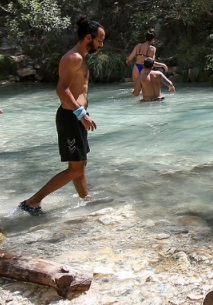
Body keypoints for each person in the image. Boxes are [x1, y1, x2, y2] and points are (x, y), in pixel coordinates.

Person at [19, 15, 106, 215]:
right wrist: (81, 114)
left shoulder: (80, 58)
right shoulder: (73, 57)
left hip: (77, 116)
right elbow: (61, 89)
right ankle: (32, 202)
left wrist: (82, 114)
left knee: (80, 164)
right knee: (75, 168)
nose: (101, 45)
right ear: (88, 38)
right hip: (71, 117)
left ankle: (87, 200)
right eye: (99, 40)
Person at [125, 29, 167, 96]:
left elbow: (130, 58)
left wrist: (128, 61)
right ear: (152, 39)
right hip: (145, 68)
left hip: (136, 67)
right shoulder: (152, 49)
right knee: (145, 89)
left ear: (145, 38)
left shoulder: (138, 46)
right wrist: (163, 65)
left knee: (136, 90)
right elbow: (151, 63)